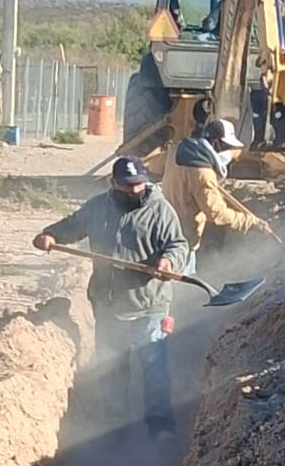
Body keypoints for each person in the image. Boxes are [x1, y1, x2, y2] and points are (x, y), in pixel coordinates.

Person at [33, 155, 191, 442]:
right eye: (127, 186)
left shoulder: (160, 210)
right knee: (114, 370)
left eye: (139, 185)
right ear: (113, 184)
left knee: (154, 369)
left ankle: (160, 428)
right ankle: (114, 429)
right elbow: (72, 225)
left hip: (149, 304)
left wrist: (167, 262)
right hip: (108, 303)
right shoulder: (97, 208)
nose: (134, 192)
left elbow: (178, 245)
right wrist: (50, 235)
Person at [161, 116, 274, 257]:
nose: (230, 153)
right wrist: (250, 223)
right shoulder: (203, 173)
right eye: (227, 147)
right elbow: (216, 213)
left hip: (165, 226)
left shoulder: (177, 150)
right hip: (182, 240)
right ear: (215, 144)